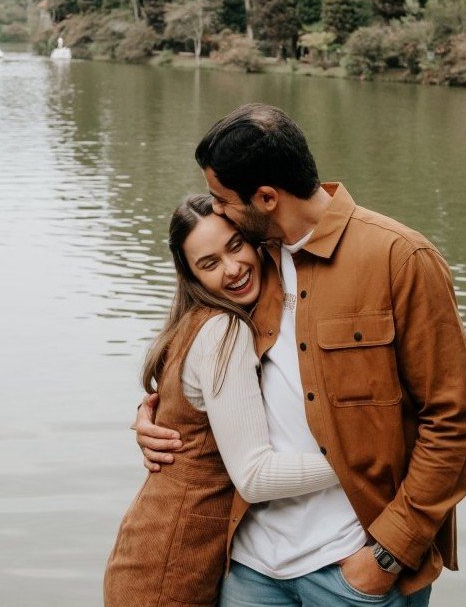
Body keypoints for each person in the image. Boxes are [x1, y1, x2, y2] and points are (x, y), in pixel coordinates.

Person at [133, 104, 466, 606]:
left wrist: (387, 556)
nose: (217, 211)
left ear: (266, 198)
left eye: (222, 200)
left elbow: (457, 422)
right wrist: (154, 416)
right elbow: (202, 361)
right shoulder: (251, 263)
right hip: (250, 571)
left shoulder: (400, 259)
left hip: (354, 572)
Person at [104, 195, 341, 607]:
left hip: (148, 548)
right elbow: (255, 477)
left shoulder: (192, 323)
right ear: (192, 276)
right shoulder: (224, 331)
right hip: (172, 568)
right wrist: (359, 465)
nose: (232, 269)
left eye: (235, 246)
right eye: (210, 263)